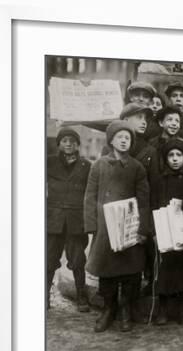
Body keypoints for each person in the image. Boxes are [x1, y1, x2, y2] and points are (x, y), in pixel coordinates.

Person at [84, 121, 150, 332]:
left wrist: (142, 229)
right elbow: (90, 196)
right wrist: (92, 225)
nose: (124, 141)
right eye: (120, 137)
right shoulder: (99, 165)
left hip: (129, 227)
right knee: (107, 273)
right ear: (111, 140)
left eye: (127, 138)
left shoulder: (136, 167)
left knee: (130, 273)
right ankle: (108, 309)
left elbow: (144, 199)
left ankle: (125, 310)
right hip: (106, 228)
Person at [151, 139, 183, 325]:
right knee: (167, 269)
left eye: (179, 155)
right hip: (166, 231)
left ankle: (182, 309)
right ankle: (163, 309)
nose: (175, 159)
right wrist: (155, 231)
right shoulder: (159, 181)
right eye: (171, 155)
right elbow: (154, 205)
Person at [46, 128, 91, 312]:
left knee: (78, 261)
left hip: (75, 220)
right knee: (48, 260)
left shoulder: (86, 166)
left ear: (78, 144)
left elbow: (90, 194)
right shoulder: (48, 162)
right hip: (53, 220)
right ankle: (43, 296)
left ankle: (81, 296)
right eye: (64, 140)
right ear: (58, 144)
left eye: (72, 141)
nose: (68, 144)